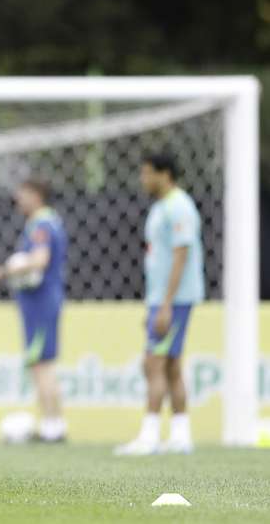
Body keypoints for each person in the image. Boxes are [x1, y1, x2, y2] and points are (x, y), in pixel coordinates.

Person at [115, 153, 204, 456]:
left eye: (147, 173)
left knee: (153, 363)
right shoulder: (161, 207)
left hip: (175, 299)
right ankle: (181, 435)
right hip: (163, 298)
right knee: (172, 366)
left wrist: (165, 304)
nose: (143, 179)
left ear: (164, 174)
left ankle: (149, 436)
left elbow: (181, 254)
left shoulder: (179, 206)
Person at [0, 179, 68, 443]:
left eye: (23, 194)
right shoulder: (45, 222)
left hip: (41, 302)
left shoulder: (42, 224)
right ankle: (54, 425)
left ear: (37, 194)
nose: (18, 200)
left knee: (41, 364)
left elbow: (39, 261)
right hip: (40, 302)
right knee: (41, 362)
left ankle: (52, 428)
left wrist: (2, 271)